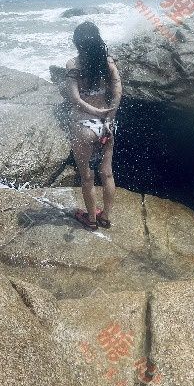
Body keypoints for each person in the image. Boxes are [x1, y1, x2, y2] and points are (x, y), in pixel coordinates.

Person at [65, 21, 122, 230]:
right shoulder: (108, 62)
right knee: (107, 173)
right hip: (106, 125)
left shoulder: (73, 64)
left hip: (83, 125)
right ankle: (105, 216)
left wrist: (94, 112)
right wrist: (108, 115)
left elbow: (75, 99)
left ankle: (91, 219)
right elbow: (117, 90)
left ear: (77, 42)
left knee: (87, 177)